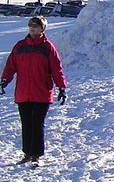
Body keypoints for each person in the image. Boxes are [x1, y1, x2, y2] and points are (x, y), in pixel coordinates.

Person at [1, 16, 67, 167]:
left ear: (42, 29)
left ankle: (36, 155)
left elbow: (57, 69)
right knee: (26, 124)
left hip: (42, 92)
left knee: (37, 123)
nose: (33, 28)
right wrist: (4, 80)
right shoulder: (20, 46)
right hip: (23, 92)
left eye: (36, 26)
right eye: (31, 25)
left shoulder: (47, 47)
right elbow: (11, 66)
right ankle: (27, 153)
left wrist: (61, 87)